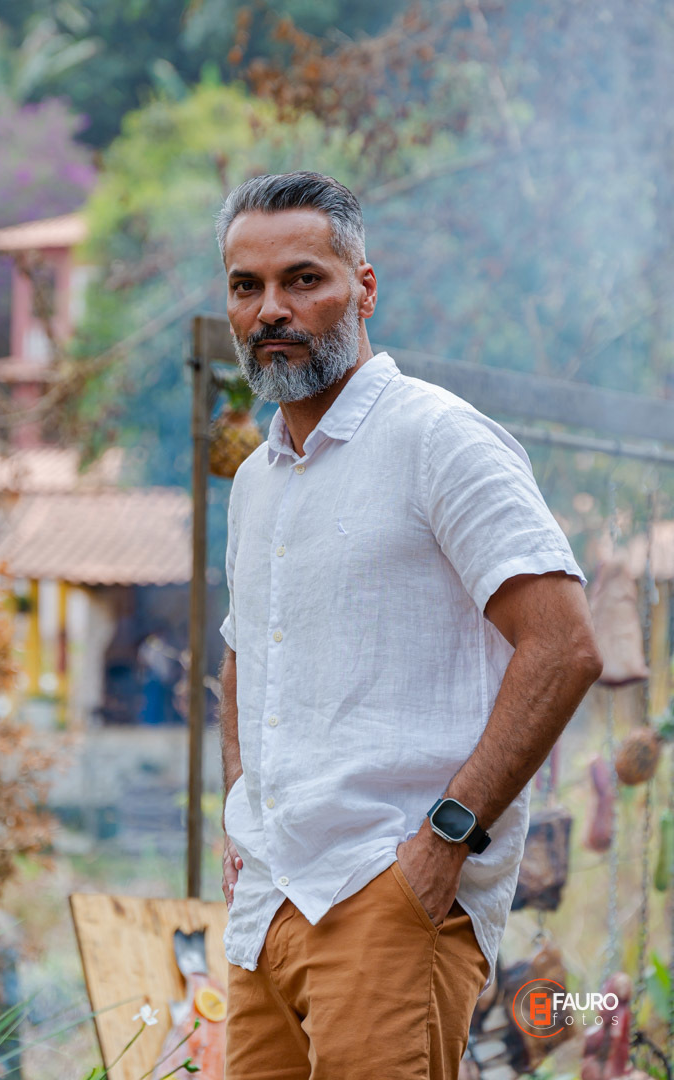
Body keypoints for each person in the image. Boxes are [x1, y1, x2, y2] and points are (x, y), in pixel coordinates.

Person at [214, 171, 603, 1080]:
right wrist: (242, 817)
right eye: (246, 286)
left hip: (387, 892)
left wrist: (443, 841)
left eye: (302, 279)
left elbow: (564, 646)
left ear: (364, 288)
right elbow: (244, 654)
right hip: (268, 900)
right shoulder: (256, 481)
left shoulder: (438, 438)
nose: (271, 310)